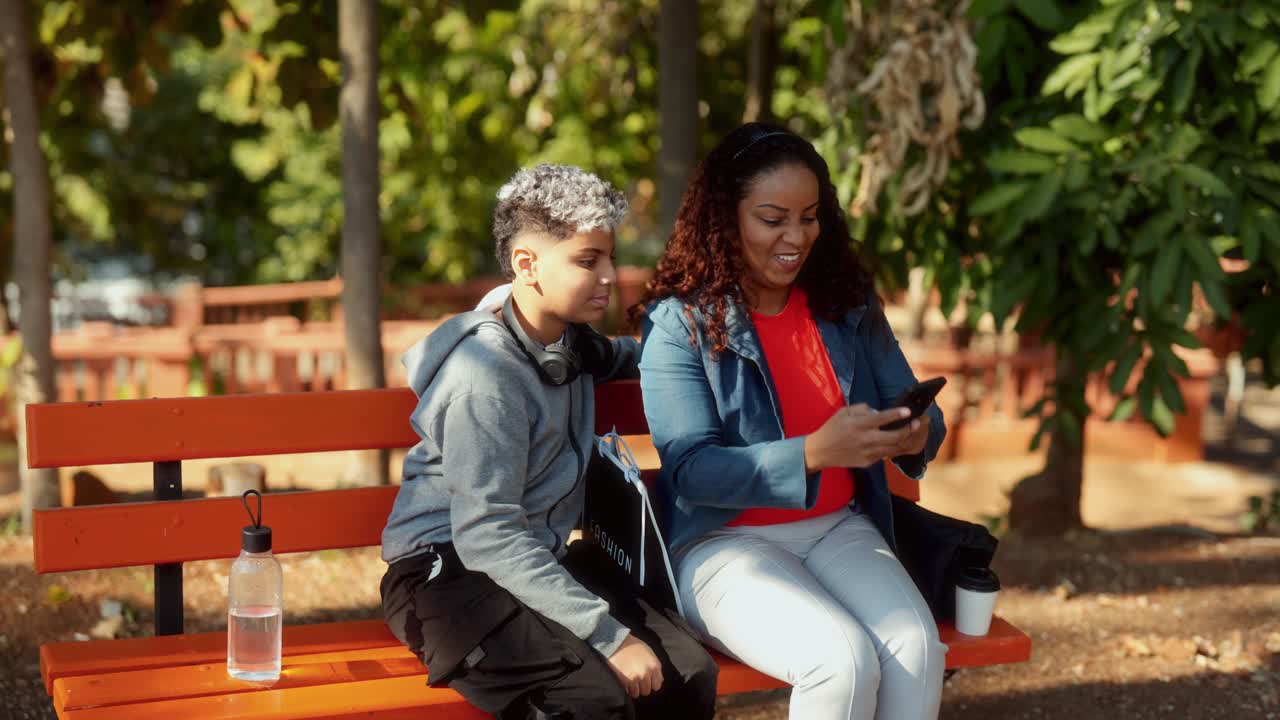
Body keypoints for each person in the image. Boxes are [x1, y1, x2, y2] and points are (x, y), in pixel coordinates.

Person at [633, 123, 948, 720]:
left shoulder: (846, 307)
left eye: (809, 217)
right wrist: (810, 454)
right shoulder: (681, 324)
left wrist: (915, 434)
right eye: (772, 218)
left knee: (915, 647)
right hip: (722, 543)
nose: (795, 237)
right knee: (840, 660)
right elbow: (694, 472)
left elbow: (919, 414)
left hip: (838, 528)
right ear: (726, 219)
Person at [380, 164, 718, 720]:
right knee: (592, 702)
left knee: (685, 675)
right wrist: (609, 638)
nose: (610, 275)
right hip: (444, 574)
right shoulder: (483, 376)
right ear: (527, 265)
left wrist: (692, 351)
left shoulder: (569, 343)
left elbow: (626, 357)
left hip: (533, 555)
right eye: (588, 261)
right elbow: (486, 532)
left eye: (609, 256)